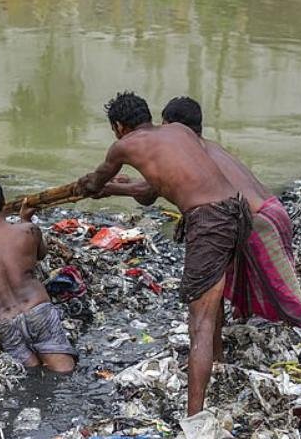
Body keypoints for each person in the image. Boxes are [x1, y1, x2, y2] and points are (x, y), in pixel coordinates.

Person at [115, 96, 301, 382]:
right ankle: (216, 360)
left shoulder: (195, 153)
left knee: (292, 303)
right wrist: (120, 188)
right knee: (213, 291)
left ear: (173, 127)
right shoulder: (206, 149)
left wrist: (108, 187)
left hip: (259, 223)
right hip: (258, 214)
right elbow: (153, 187)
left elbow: (151, 190)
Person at [77, 92, 250, 415]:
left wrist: (88, 186)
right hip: (237, 211)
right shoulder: (180, 133)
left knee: (199, 321)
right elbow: (148, 194)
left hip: (209, 221)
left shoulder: (123, 146)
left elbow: (96, 181)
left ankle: (194, 417)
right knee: (212, 302)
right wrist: (115, 188)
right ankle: (219, 363)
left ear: (118, 126)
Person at [0, 179, 77, 373]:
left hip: (5, 322)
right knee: (63, 372)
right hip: (38, 311)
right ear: (4, 203)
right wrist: (26, 220)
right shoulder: (28, 231)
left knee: (30, 374)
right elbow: (41, 254)